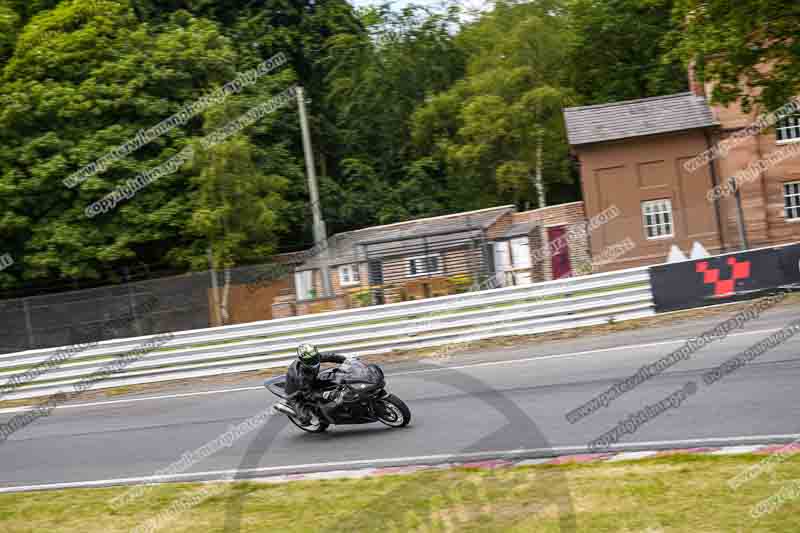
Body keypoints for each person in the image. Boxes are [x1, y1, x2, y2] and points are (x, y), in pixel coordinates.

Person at [283, 343, 348, 424]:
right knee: (305, 419)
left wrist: (346, 359)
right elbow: (308, 395)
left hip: (311, 381)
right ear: (302, 360)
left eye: (315, 358)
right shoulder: (301, 376)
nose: (314, 361)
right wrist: (325, 394)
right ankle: (290, 406)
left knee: (335, 381)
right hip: (295, 393)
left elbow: (331, 356)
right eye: (310, 360)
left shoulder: (314, 357)